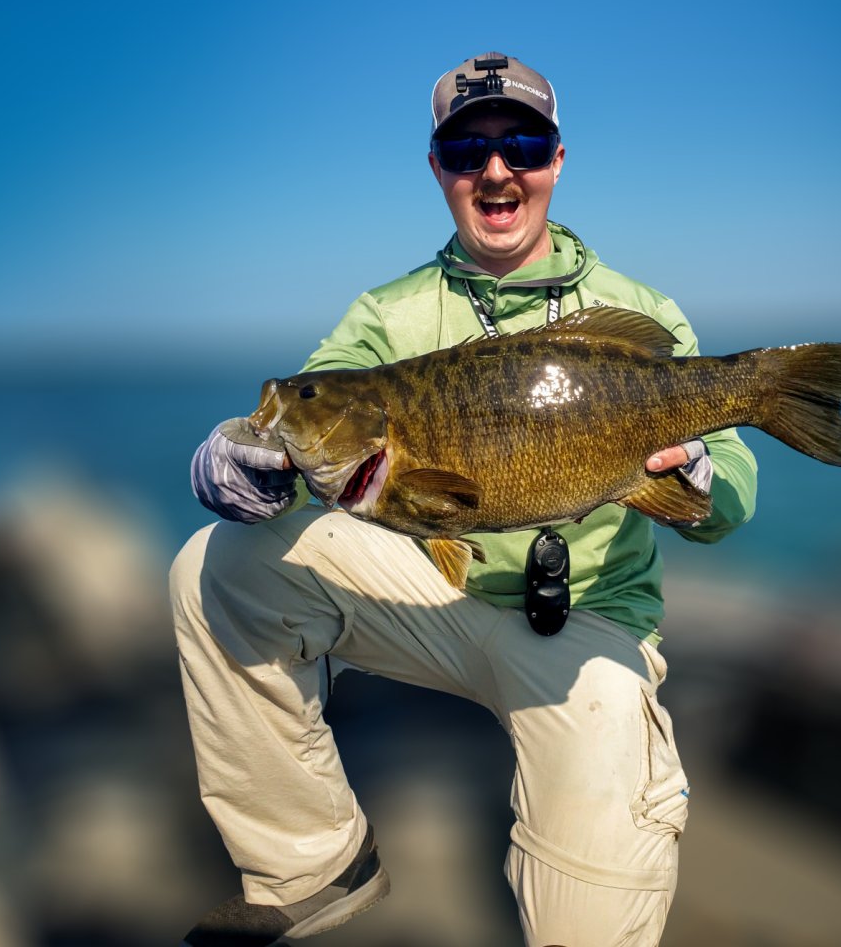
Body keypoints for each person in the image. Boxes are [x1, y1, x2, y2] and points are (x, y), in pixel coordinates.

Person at [171, 52, 759, 946]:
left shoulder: (636, 310)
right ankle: (309, 864)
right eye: (464, 149)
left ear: (556, 160)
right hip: (434, 602)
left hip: (592, 626)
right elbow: (317, 400)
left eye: (520, 145)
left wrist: (696, 474)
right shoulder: (388, 315)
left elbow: (732, 501)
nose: (494, 170)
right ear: (437, 167)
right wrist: (241, 454)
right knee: (217, 564)